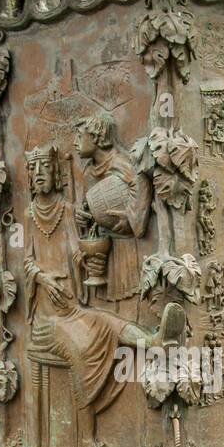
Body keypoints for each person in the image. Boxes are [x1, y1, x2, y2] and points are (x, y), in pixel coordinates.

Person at [22, 143, 181, 447]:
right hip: (46, 318)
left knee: (106, 322)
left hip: (70, 309)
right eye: (34, 170)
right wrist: (42, 278)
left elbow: (74, 248)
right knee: (82, 349)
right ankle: (87, 440)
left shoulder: (67, 211)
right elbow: (26, 261)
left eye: (45, 169)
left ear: (56, 174)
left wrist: (86, 256)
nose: (39, 175)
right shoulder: (29, 215)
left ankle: (154, 340)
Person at [74, 112, 151, 306]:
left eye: (80, 135)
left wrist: (131, 217)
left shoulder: (121, 163)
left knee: (129, 305)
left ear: (97, 137)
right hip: (100, 251)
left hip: (124, 250)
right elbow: (90, 205)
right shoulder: (89, 170)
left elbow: (142, 184)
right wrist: (85, 217)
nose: (75, 142)